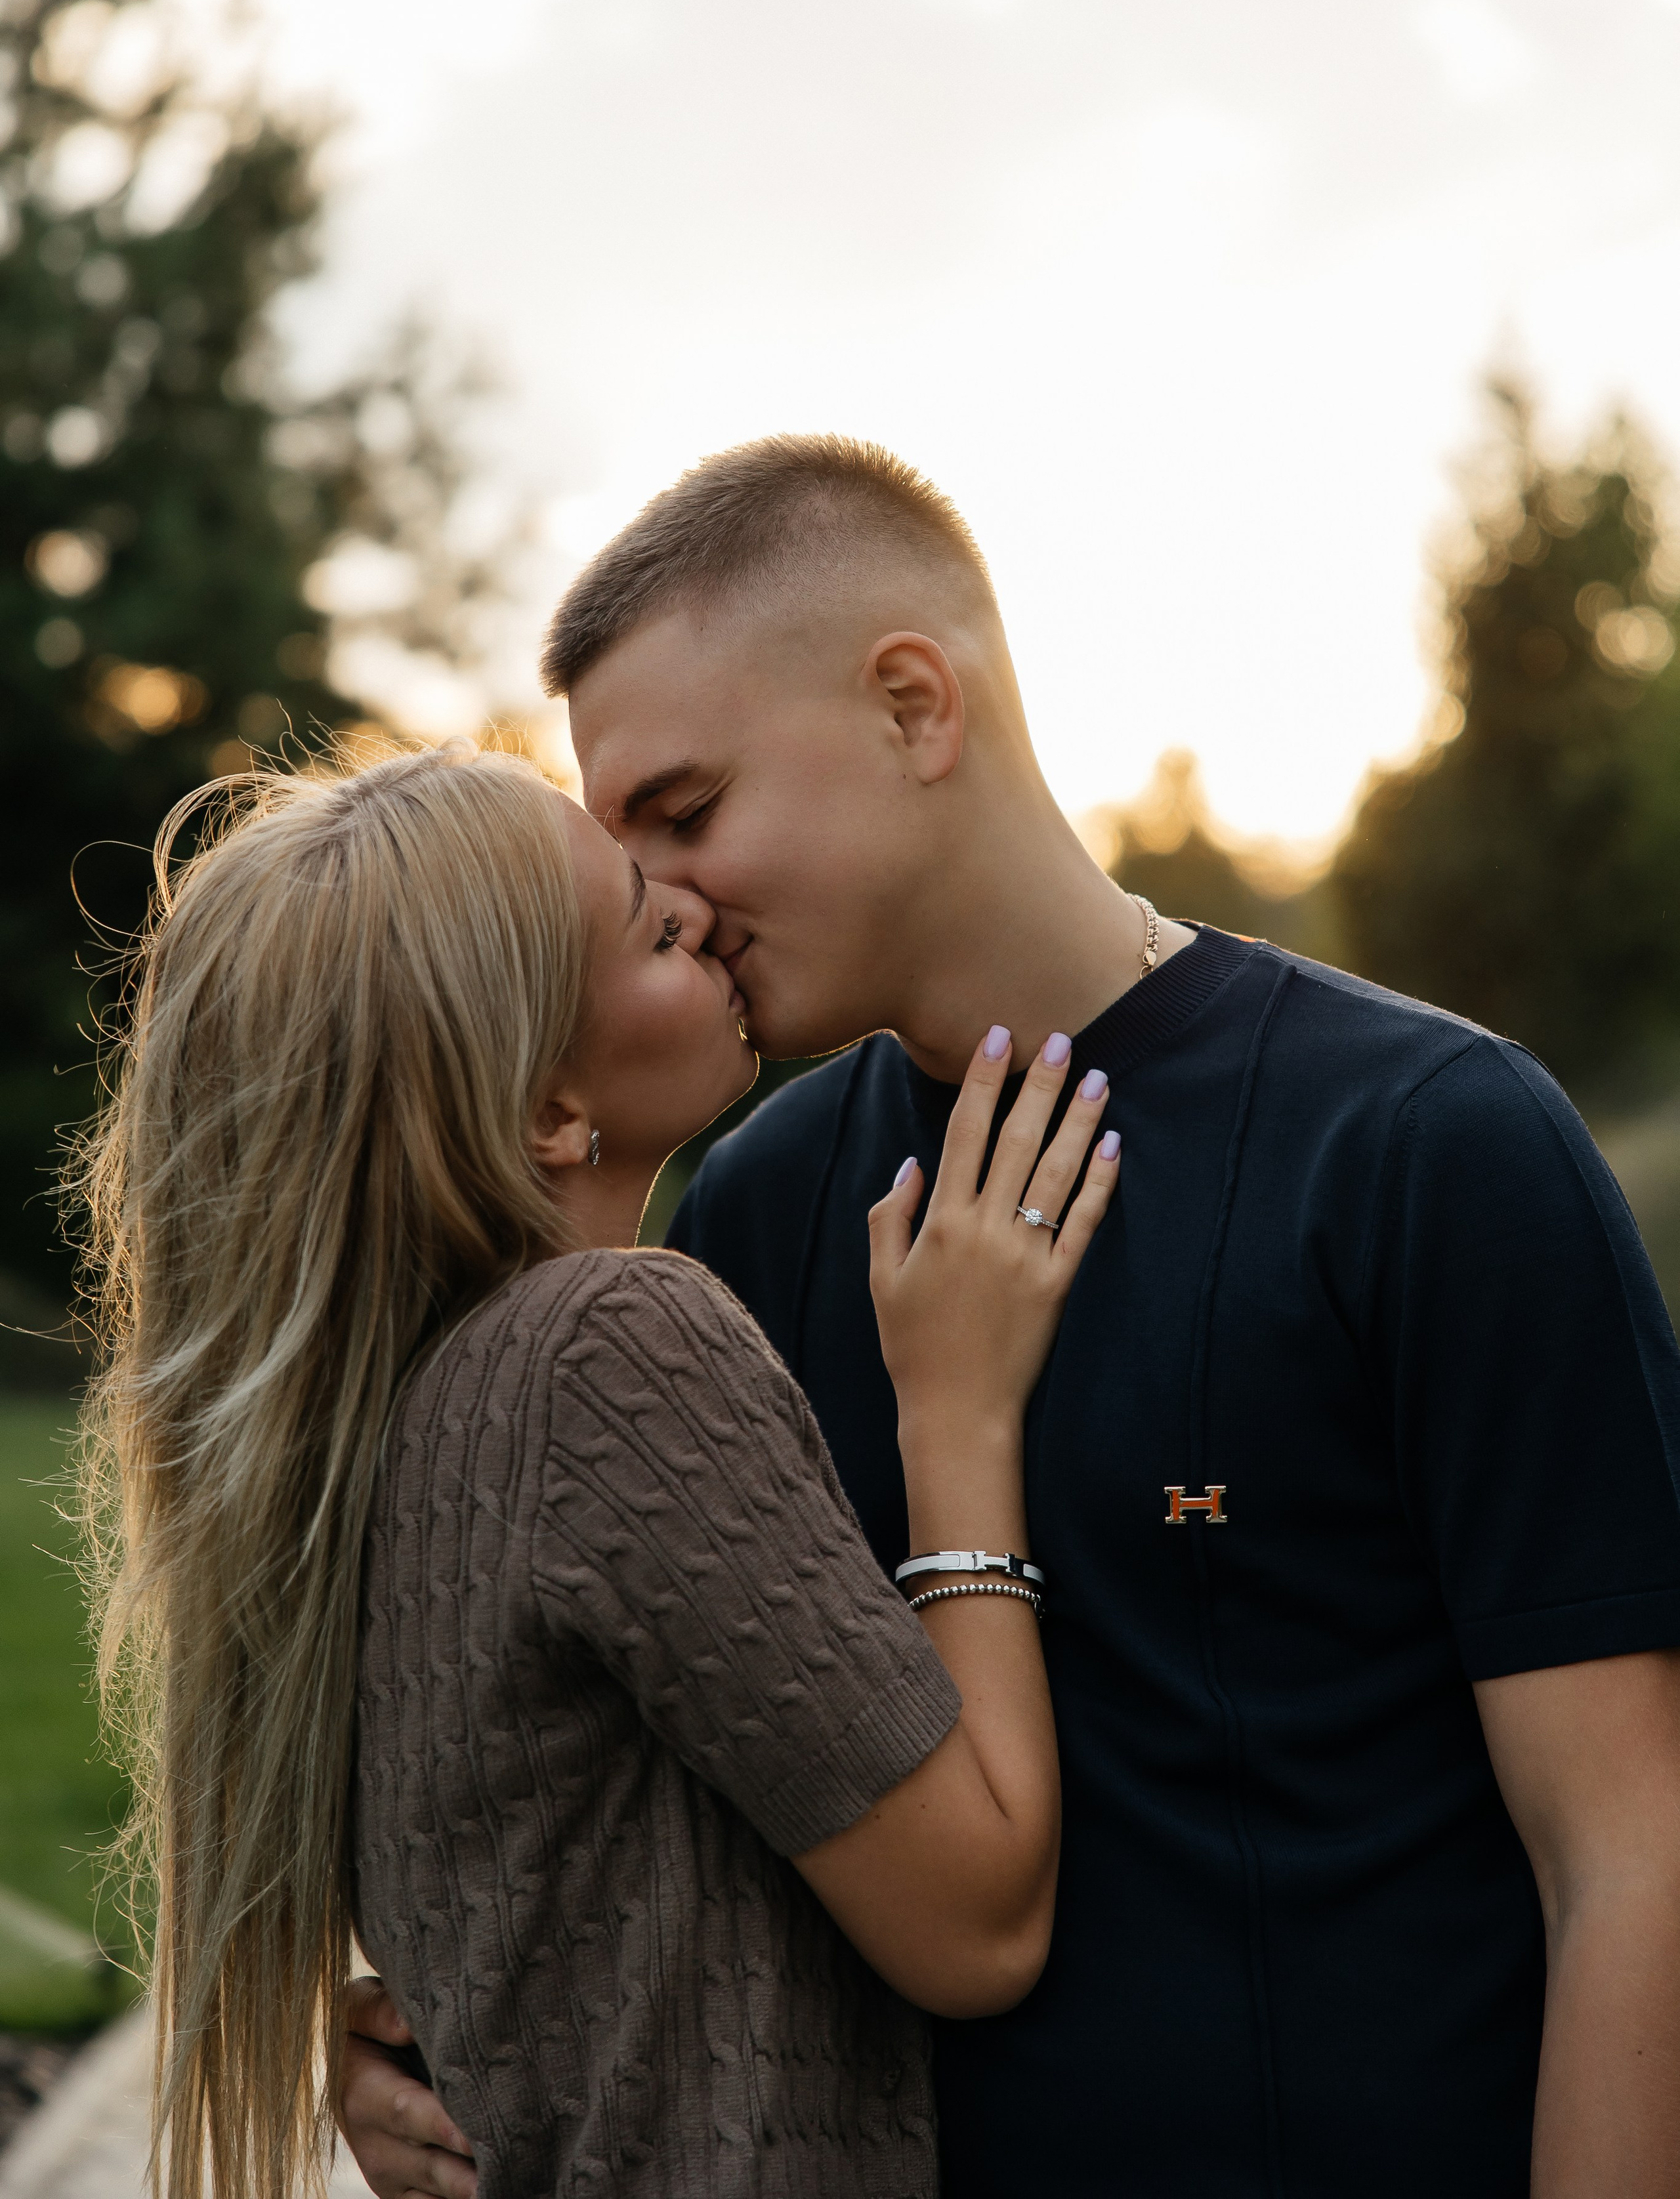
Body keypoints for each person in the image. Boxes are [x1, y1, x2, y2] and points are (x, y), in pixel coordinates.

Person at [342, 433, 1680, 2199]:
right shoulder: (746, 1219)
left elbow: (1627, 1854)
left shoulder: (1428, 1147)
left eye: (688, 811)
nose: (667, 899)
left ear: (913, 707)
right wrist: (424, 2043)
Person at [75, 738, 1124, 2199]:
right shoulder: (609, 1347)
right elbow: (976, 1925)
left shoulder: (363, 1430)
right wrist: (956, 1411)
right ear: (541, 1115)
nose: (693, 904)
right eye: (645, 920)